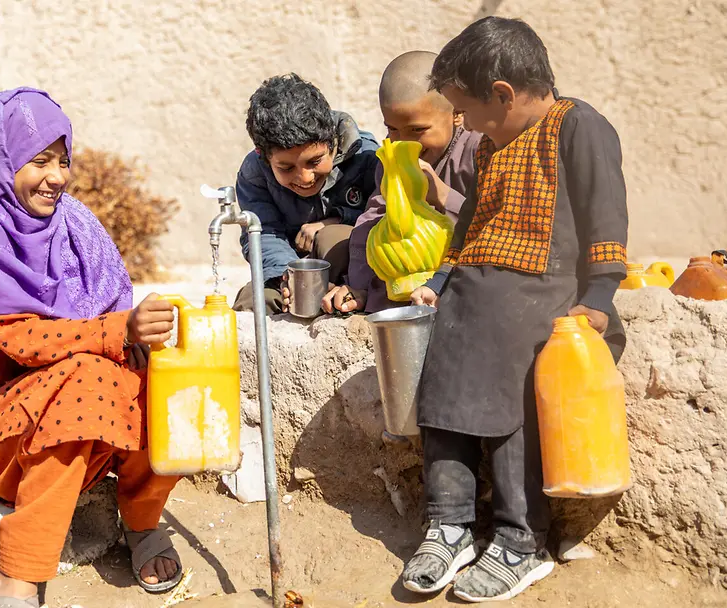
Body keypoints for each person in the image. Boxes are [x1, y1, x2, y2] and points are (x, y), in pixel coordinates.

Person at [402, 18, 629, 602]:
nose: (467, 125)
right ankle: (449, 523)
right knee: (443, 376)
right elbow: (472, 223)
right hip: (478, 290)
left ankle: (519, 540)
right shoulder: (490, 145)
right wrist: (441, 278)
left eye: (468, 111)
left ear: (503, 94)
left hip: (546, 296)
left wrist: (599, 298)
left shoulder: (578, 127)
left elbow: (606, 218)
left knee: (511, 392)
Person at [0, 88, 183, 607]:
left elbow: (114, 314)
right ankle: (19, 574)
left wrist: (136, 337)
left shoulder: (74, 223)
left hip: (80, 416)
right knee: (88, 378)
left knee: (166, 374)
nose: (58, 176)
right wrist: (119, 331)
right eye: (38, 161)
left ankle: (142, 519)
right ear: (0, 162)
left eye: (63, 160)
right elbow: (23, 341)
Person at [319, 51, 482, 316]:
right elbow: (372, 224)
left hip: (461, 274)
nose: (404, 142)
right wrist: (358, 287)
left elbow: (494, 224)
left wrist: (443, 196)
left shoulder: (479, 151)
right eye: (392, 129)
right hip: (405, 283)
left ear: (457, 114)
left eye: (417, 130)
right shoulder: (391, 159)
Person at [232, 73, 379, 314]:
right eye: (286, 168)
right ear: (265, 157)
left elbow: (384, 217)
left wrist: (337, 219)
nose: (305, 178)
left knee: (331, 237)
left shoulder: (367, 157)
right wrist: (291, 278)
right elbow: (262, 234)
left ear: (331, 141)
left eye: (315, 161)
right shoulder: (253, 174)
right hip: (289, 273)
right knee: (253, 300)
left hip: (356, 276)